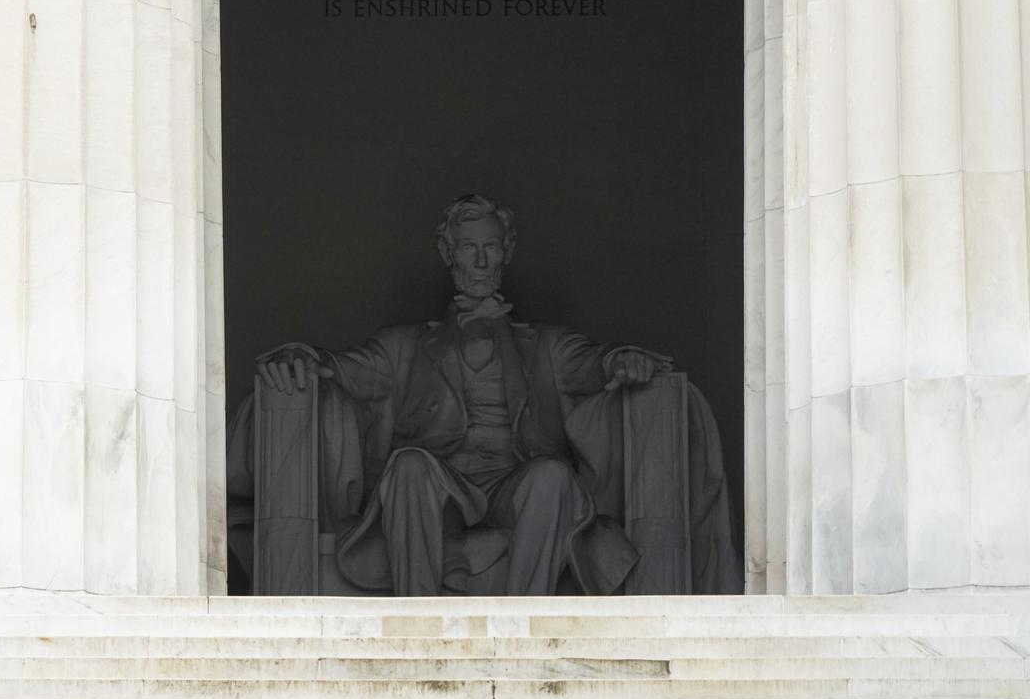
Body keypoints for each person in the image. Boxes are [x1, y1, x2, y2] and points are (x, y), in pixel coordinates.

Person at [254, 194, 737, 596]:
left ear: (506, 250)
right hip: (440, 486)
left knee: (551, 474)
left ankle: (525, 617)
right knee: (409, 465)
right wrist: (300, 354)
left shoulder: (544, 344)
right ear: (448, 253)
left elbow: (592, 361)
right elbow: (342, 367)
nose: (481, 260)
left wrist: (620, 359)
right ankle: (418, 618)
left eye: (490, 246)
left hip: (513, 483)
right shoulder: (403, 345)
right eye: (468, 248)